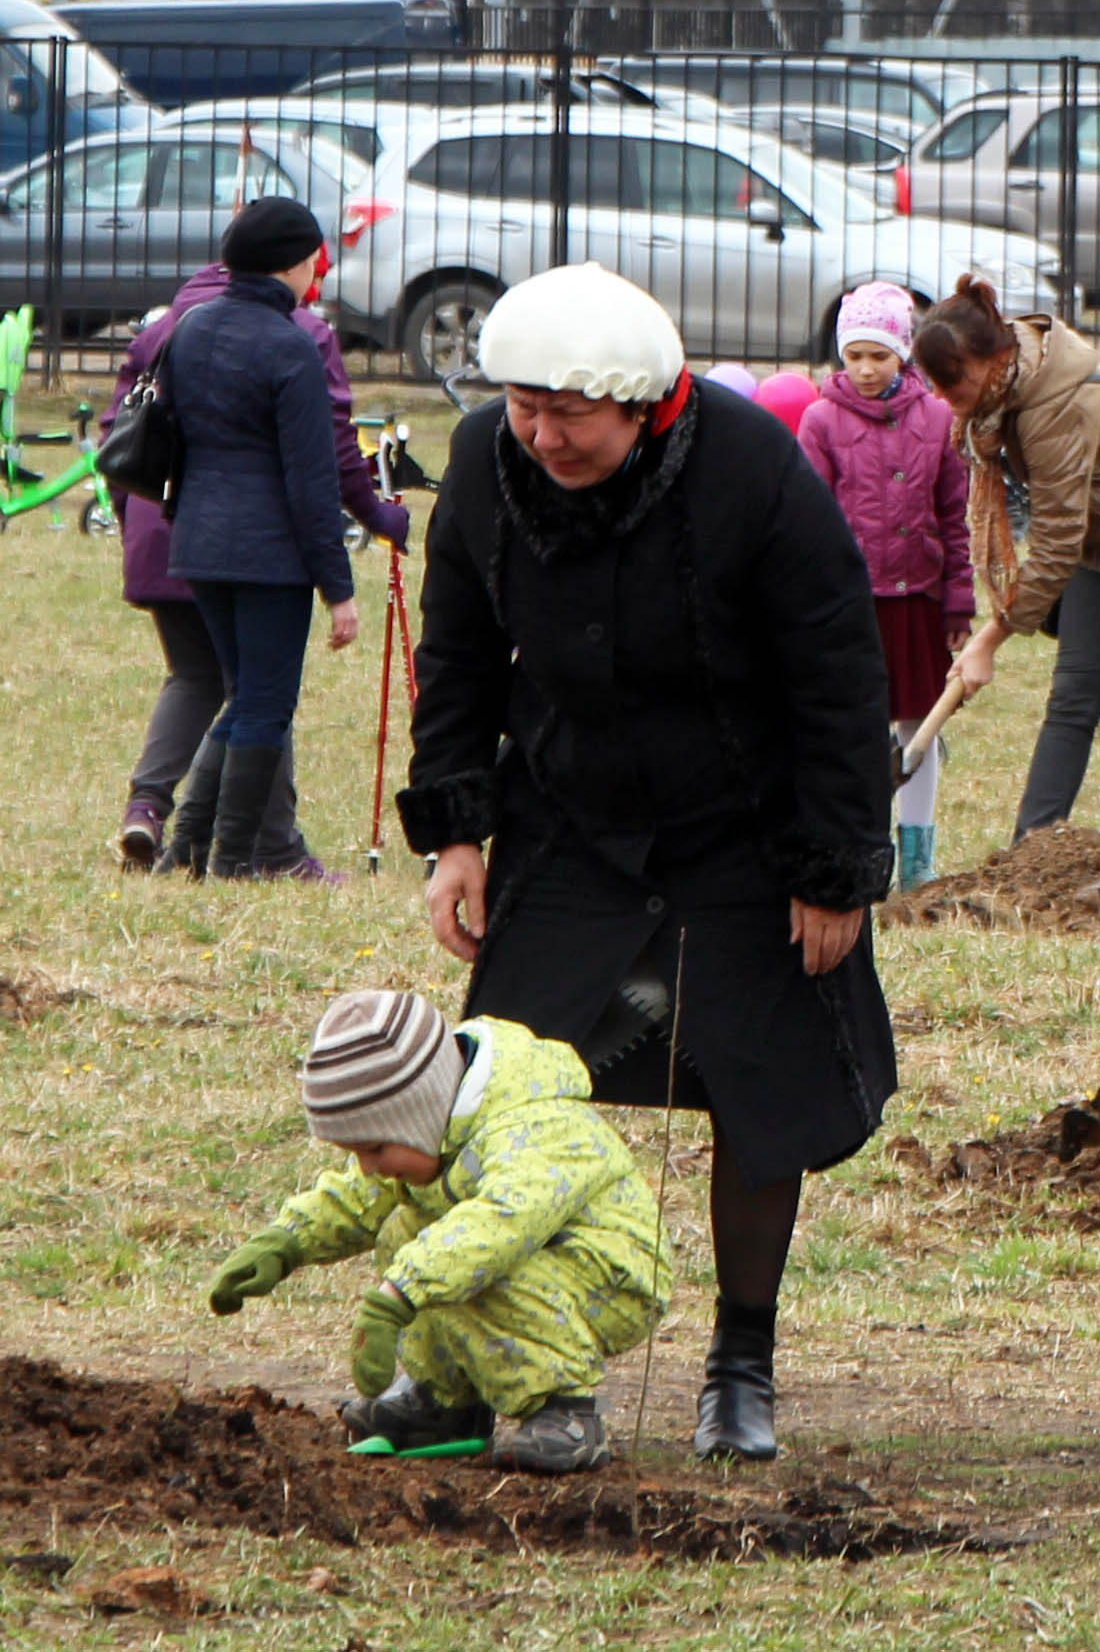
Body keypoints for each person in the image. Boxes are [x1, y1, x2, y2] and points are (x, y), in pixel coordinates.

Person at [399, 262, 893, 1461]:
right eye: (525, 407)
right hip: (571, 823)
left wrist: (831, 868)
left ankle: (740, 1366)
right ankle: (466, 1369)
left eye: (570, 414)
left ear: (639, 402)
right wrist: (457, 833)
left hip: (742, 830)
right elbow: (458, 656)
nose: (542, 436)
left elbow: (838, 672)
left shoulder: (752, 471)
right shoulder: (485, 464)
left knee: (759, 1093)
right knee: (494, 1095)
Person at [206, 991, 669, 1475]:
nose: (367, 1166)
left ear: (420, 1112)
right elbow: (360, 1196)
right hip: (538, 1262)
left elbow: (498, 1229)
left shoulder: (537, 1127)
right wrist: (285, 1242)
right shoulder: (438, 1127)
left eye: (375, 1148)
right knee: (406, 1232)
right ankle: (446, 1403)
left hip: (611, 1279)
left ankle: (566, 1411)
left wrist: (397, 1295)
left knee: (472, 1263)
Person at [120, 242, 406, 875]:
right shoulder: (295, 342)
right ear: (291, 265)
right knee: (263, 704)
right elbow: (316, 473)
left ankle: (187, 847)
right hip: (267, 552)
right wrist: (340, 586)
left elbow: (145, 429)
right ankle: (241, 856)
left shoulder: (184, 326)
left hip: (191, 540)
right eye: (313, 262)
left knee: (236, 694)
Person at [912, 281, 1100, 841]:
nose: (941, 395)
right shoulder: (1001, 400)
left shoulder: (1051, 407)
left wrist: (988, 641)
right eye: (932, 381)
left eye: (950, 380)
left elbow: (1056, 541)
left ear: (991, 359)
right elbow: (1066, 533)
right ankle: (1029, 854)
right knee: (1072, 701)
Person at [797, 283, 973, 892]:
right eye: (854, 356)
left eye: (879, 355)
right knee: (855, 727)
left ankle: (918, 858)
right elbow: (808, 521)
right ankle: (863, 847)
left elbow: (954, 517)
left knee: (918, 726)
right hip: (852, 605)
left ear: (904, 352)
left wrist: (957, 600)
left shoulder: (938, 419)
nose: (867, 369)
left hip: (917, 597)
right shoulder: (821, 421)